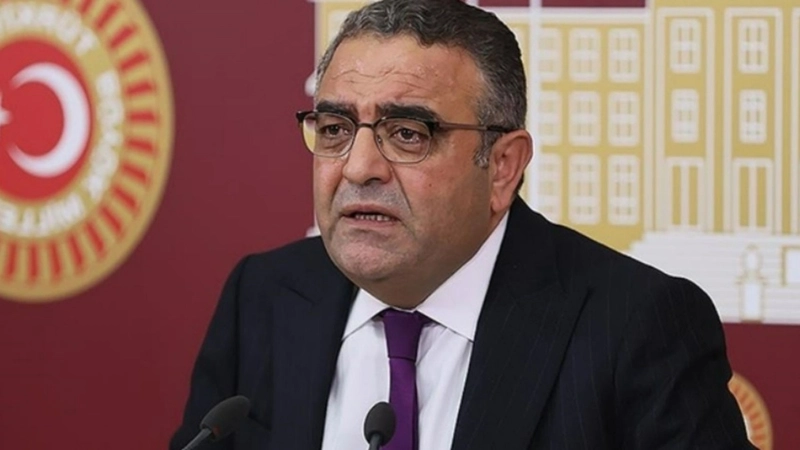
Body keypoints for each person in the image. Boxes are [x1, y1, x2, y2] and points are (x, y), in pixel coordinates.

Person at [170, 1, 754, 449]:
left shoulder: (635, 328)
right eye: (334, 129)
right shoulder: (264, 297)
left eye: (407, 134)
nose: (359, 167)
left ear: (502, 167)